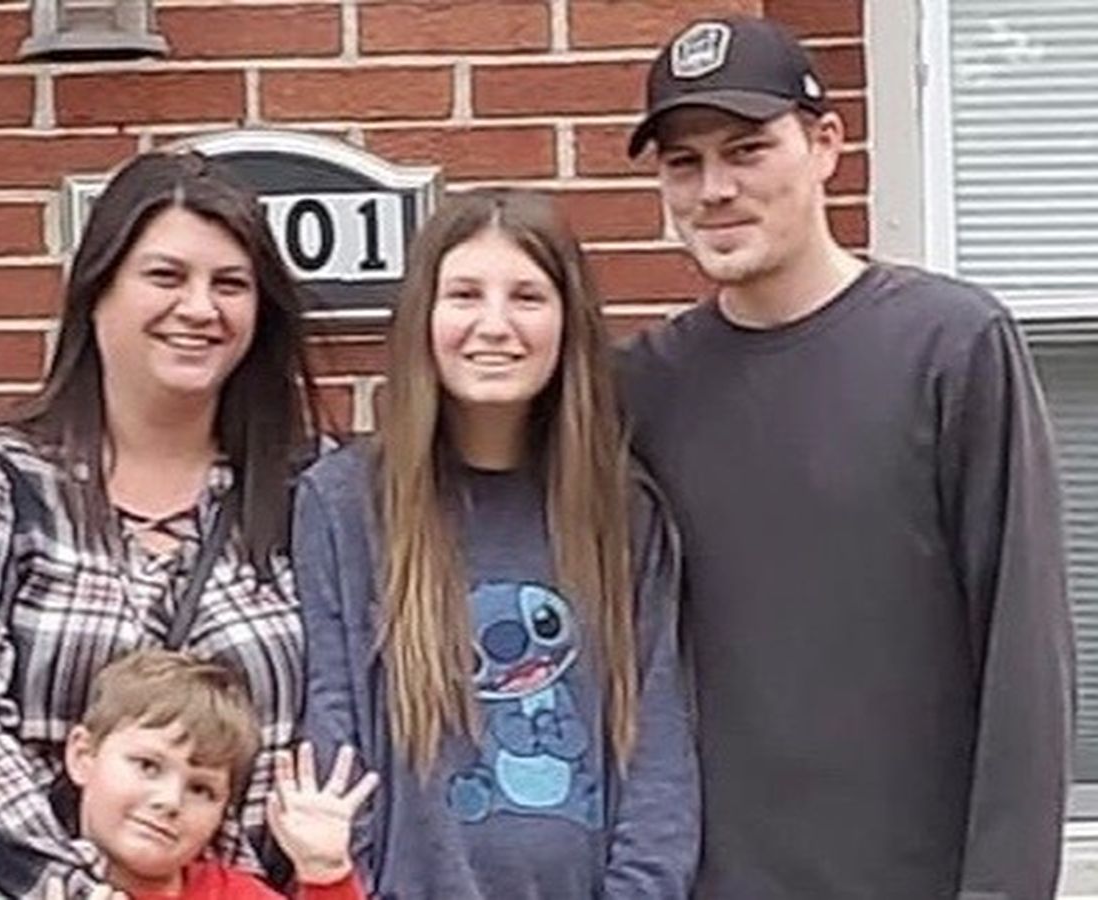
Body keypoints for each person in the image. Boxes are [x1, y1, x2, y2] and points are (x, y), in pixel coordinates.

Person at [618, 15, 1074, 900]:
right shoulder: (646, 388)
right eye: (684, 163)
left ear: (826, 144)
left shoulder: (950, 346)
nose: (715, 189)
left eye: (748, 150)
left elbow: (1023, 657)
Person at [0, 151, 317, 898]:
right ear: (98, 291)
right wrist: (72, 889)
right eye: (165, 276)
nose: (200, 308)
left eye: (230, 284)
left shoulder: (300, 492)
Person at [293, 189, 699, 899]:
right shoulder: (345, 503)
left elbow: (658, 763)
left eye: (527, 297)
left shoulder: (624, 513)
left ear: (568, 321)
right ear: (423, 316)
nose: (494, 325)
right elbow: (335, 746)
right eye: (464, 295)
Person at [54, 648, 375, 900]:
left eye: (200, 789)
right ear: (83, 755)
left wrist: (327, 874)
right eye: (148, 766)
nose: (170, 801)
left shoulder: (234, 894)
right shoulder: (37, 880)